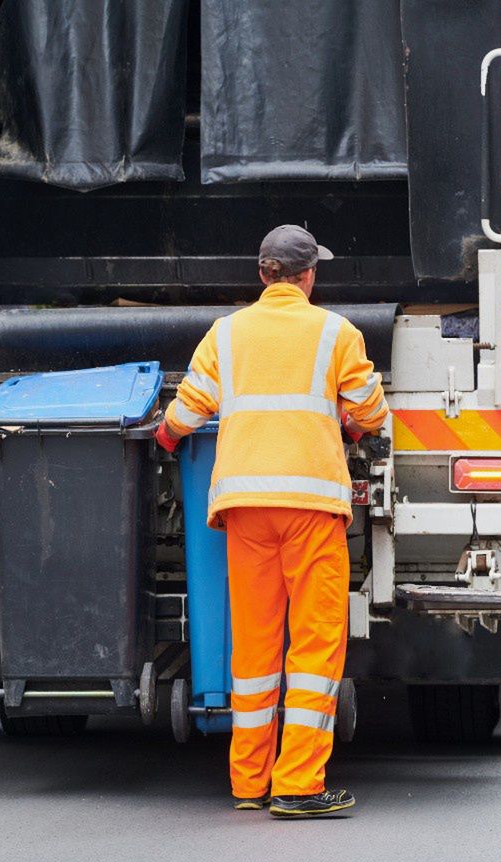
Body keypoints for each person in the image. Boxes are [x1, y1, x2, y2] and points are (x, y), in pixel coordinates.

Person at [155, 225, 389, 819]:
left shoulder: (225, 334)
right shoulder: (337, 332)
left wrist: (166, 435)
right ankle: (299, 785)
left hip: (244, 507)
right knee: (314, 641)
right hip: (310, 506)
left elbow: (187, 410)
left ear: (262, 275)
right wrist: (349, 423)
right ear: (309, 276)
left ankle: (248, 782)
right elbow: (371, 411)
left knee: (254, 643)